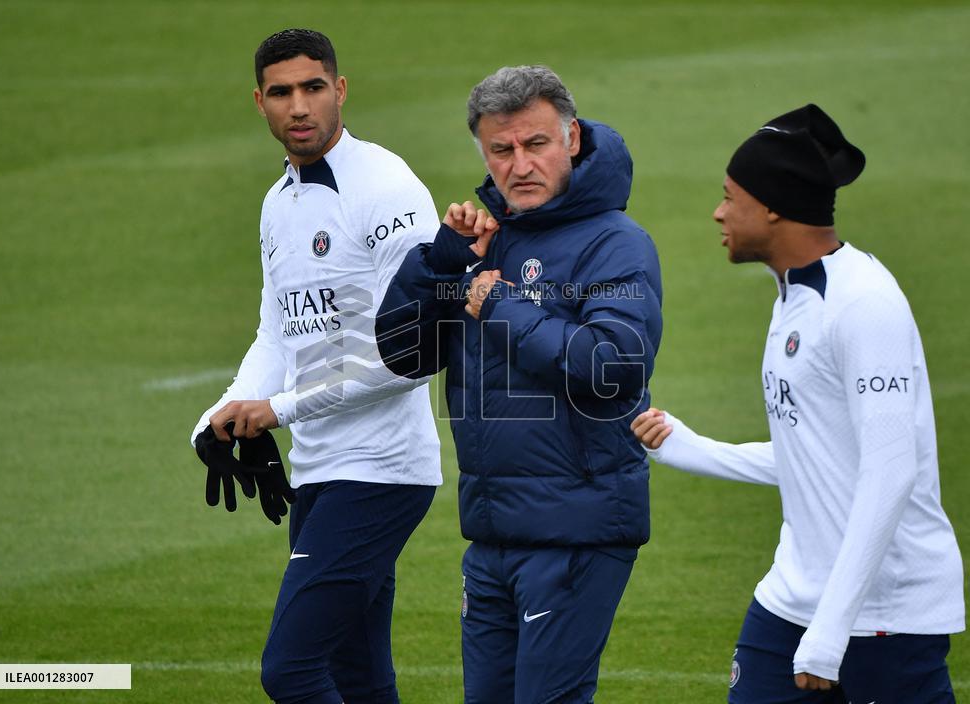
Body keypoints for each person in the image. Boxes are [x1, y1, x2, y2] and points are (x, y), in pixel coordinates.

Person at [632, 104, 964, 703]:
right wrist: (694, 448)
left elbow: (889, 473)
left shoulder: (865, 306)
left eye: (730, 196)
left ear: (773, 206)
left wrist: (831, 629)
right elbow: (817, 454)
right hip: (791, 600)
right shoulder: (791, 296)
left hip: (880, 618)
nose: (718, 211)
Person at [376, 66, 663, 704]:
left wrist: (498, 305)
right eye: (501, 150)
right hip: (491, 536)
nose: (520, 164)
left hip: (576, 532)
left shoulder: (616, 244)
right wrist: (441, 263)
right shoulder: (486, 243)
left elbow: (613, 367)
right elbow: (403, 355)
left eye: (536, 144)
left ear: (573, 140)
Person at [189, 28, 442, 704]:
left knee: (292, 670)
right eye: (280, 93)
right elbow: (279, 331)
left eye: (312, 88)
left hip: (381, 472)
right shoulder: (280, 202)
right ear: (259, 102)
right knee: (358, 677)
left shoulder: (387, 188)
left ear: (340, 89)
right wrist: (224, 412)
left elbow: (413, 355)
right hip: (320, 473)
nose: (298, 106)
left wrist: (279, 409)